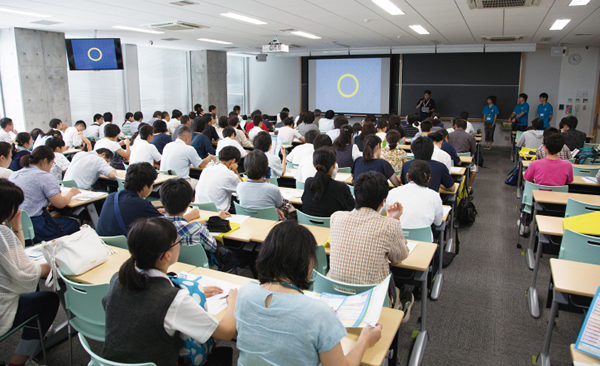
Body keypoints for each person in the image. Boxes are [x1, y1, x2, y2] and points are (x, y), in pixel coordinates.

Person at [235, 219, 382, 365]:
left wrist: (327, 324)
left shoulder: (245, 292)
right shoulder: (319, 314)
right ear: (306, 262)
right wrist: (365, 341)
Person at [102, 217, 237, 366]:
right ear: (167, 255)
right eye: (177, 241)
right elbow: (227, 332)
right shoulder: (173, 300)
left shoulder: (118, 279)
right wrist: (233, 303)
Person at [0, 179, 59, 366]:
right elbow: (25, 274)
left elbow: (17, 259)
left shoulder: (4, 233)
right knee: (49, 300)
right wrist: (53, 265)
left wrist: (17, 227)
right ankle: (19, 361)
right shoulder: (1, 233)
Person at [328, 171, 409, 308]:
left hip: (336, 295)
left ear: (355, 195)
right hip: (371, 300)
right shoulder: (389, 225)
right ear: (383, 201)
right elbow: (399, 257)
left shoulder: (336, 217)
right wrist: (394, 220)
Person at [9, 146, 81, 242]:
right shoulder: (44, 176)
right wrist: (71, 193)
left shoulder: (14, 174)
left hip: (14, 226)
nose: (51, 166)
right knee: (73, 224)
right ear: (45, 161)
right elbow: (60, 204)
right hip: (36, 227)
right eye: (52, 163)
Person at [161, 178, 230, 254]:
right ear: (188, 204)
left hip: (169, 265)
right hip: (199, 265)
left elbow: (176, 223)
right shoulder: (198, 229)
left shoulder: (155, 226)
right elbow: (213, 247)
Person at [96, 163, 163, 236]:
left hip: (102, 243)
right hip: (123, 245)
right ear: (144, 187)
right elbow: (166, 224)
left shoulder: (111, 197)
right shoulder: (143, 205)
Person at [385, 160, 443, 242]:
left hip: (395, 240)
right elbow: (438, 222)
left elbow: (384, 214)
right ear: (429, 179)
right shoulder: (434, 195)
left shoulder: (392, 193)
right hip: (424, 242)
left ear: (407, 176)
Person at [301, 147, 354, 217]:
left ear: (314, 165)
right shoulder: (341, 188)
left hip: (307, 226)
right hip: (333, 226)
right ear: (334, 165)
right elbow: (353, 210)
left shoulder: (308, 182)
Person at [237, 150, 285, 220]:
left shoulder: (240, 187)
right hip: (271, 224)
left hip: (247, 223)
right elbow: (279, 204)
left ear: (245, 167)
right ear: (265, 168)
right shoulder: (273, 189)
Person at [195, 146, 242, 212]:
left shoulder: (206, 170)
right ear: (233, 161)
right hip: (218, 213)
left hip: (198, 210)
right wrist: (236, 172)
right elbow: (243, 190)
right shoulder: (230, 175)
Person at [448, 119, 477, 189]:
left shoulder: (449, 135)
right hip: (465, 161)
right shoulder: (470, 137)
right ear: (466, 128)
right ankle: (469, 187)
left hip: (451, 160)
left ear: (455, 126)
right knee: (474, 169)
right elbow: (474, 151)